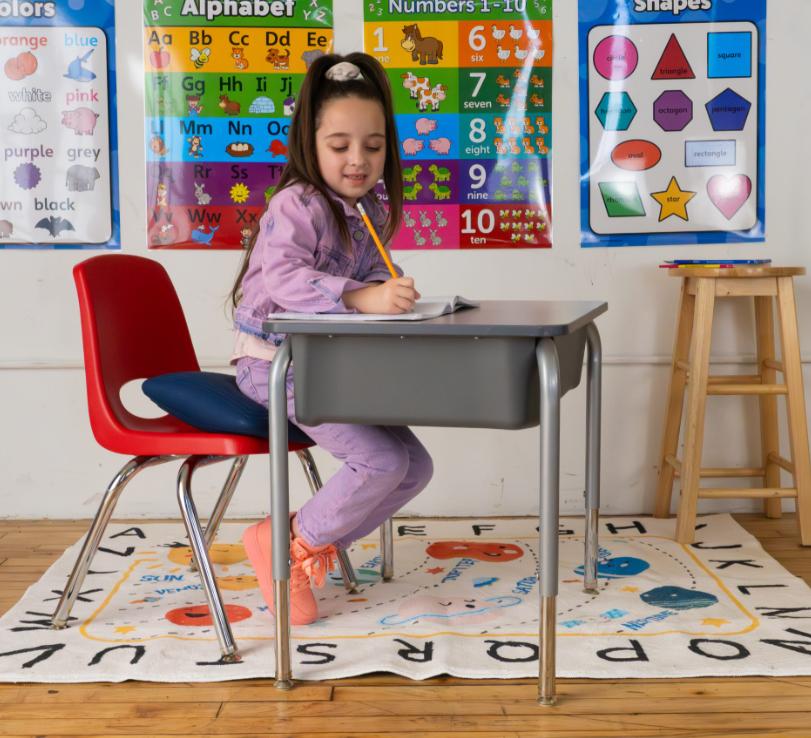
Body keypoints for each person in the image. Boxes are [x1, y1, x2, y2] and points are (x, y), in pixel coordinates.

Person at [229, 52, 434, 625]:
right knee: (380, 461)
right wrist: (363, 297)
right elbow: (285, 279)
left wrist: (389, 291)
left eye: (373, 146)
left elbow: (371, 277)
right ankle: (287, 546)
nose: (358, 160)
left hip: (329, 368)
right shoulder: (296, 204)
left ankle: (304, 541)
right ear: (310, 144)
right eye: (340, 145)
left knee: (414, 467)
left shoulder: (368, 211)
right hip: (273, 366)